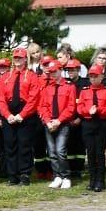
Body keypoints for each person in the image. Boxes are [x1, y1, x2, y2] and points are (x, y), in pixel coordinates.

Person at [0, 48, 41, 186]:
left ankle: (25, 174)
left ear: (25, 59)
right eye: (16, 58)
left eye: (20, 58)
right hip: (9, 111)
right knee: (10, 145)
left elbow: (34, 98)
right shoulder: (5, 77)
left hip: (25, 112)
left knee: (24, 145)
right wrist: (7, 115)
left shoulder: (32, 76)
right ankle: (12, 176)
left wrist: (22, 114)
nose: (18, 60)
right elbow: (1, 98)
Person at [37, 59, 79, 189]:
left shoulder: (69, 86)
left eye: (55, 71)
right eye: (50, 72)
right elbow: (42, 106)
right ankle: (57, 176)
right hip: (49, 123)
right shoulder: (47, 87)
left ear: (60, 70)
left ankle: (66, 176)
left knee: (60, 150)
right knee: (52, 152)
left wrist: (59, 120)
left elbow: (71, 107)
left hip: (63, 123)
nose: (52, 74)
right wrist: (48, 121)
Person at [75, 64, 106, 191]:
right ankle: (92, 180)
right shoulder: (84, 91)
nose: (93, 79)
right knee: (90, 152)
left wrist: (98, 110)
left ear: (101, 77)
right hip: (88, 124)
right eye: (91, 76)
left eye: (95, 76)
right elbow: (80, 108)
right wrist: (88, 111)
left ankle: (100, 180)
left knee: (99, 153)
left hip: (101, 124)